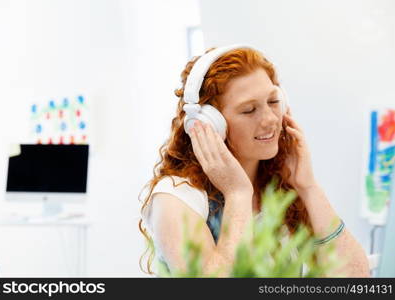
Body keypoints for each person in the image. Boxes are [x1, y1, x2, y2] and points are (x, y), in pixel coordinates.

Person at [138, 45, 369, 277]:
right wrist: (237, 194)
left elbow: (356, 278)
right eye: (249, 110)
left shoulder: (280, 185)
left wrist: (308, 187)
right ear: (211, 124)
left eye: (273, 101)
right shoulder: (176, 198)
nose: (270, 120)